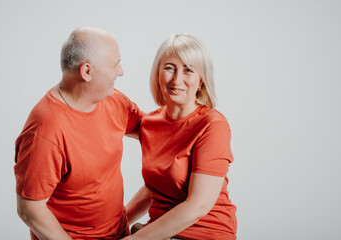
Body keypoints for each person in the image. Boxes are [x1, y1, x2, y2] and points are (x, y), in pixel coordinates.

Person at [14, 27, 144, 240]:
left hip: (120, 234)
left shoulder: (113, 100)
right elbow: (30, 209)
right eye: (115, 64)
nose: (120, 72)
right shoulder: (45, 132)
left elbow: (156, 133)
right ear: (87, 72)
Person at [124, 33, 237, 240]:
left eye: (188, 70)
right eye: (169, 68)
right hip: (158, 231)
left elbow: (198, 205)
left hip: (204, 233)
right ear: (158, 74)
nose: (177, 79)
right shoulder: (150, 123)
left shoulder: (212, 125)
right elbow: (156, 186)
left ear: (201, 80)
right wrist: (119, 222)